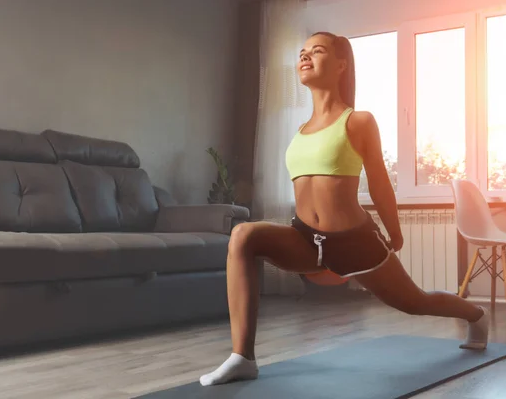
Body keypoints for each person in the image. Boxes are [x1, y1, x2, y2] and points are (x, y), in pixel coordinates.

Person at [199, 31, 489, 387]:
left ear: (340, 65)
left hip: (355, 243)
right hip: (306, 239)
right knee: (244, 235)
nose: (305, 57)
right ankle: (243, 356)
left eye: (316, 51)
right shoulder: (300, 130)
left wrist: (394, 231)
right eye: (302, 52)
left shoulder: (358, 121)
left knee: (415, 302)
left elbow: (380, 181)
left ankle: (475, 314)